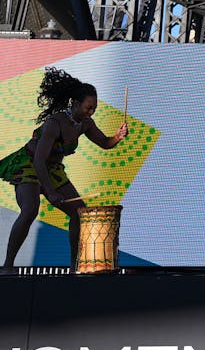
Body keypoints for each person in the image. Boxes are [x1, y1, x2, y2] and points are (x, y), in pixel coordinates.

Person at [0, 67, 128, 270]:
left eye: (94, 108)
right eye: (88, 107)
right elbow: (39, 160)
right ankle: (7, 265)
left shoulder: (85, 123)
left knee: (79, 214)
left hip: (52, 168)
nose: (91, 112)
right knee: (30, 209)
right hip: (30, 164)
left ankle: (74, 267)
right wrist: (50, 191)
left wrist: (118, 137)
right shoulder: (55, 123)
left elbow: (104, 143)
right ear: (75, 104)